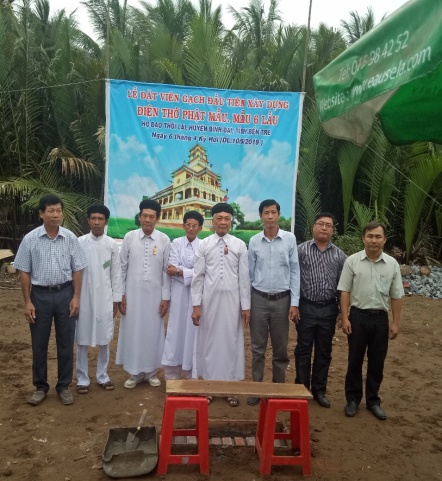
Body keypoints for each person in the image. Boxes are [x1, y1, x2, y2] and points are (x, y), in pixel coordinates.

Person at [14, 194, 87, 406]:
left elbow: (77, 270)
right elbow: (24, 272)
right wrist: (27, 302)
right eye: (51, 211)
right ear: (41, 214)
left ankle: (63, 386)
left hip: (65, 294)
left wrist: (76, 297)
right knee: (39, 343)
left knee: (65, 342)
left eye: (58, 210)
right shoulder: (30, 239)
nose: (55, 215)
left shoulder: (71, 238)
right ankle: (40, 387)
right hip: (39, 296)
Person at [338, 221, 404, 420]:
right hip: (358, 317)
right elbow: (345, 290)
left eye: (378, 237)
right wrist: (345, 317)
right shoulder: (352, 261)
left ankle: (373, 401)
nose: (373, 240)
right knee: (355, 360)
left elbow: (397, 295)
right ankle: (352, 399)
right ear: (363, 238)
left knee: (377, 362)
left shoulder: (392, 264)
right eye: (370, 236)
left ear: (384, 240)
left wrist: (395, 323)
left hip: (380, 320)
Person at [191, 203, 250, 407]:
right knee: (208, 341)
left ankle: (230, 388)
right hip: (209, 302)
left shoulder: (239, 245)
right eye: (219, 218)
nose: (223, 222)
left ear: (231, 221)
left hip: (233, 303)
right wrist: (196, 305)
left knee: (231, 342)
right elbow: (197, 277)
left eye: (227, 218)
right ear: (212, 220)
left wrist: (245, 306)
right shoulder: (204, 244)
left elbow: (244, 279)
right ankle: (208, 387)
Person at [247, 199, 300, 407]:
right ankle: (256, 389)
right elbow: (249, 273)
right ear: (261, 216)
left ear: (279, 215)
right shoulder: (253, 241)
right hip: (259, 299)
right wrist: (248, 303)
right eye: (266, 213)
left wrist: (294, 303)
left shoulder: (289, 239)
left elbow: (295, 271)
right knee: (257, 348)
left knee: (280, 349)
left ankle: (279, 390)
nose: (270, 217)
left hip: (282, 301)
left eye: (273, 212)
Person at [116, 199, 171, 389]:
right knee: (133, 331)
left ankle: (151, 372)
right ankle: (134, 372)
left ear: (157, 219)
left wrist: (166, 298)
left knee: (153, 332)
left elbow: (166, 271)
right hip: (132, 296)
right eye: (144, 216)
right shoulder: (130, 237)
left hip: (155, 296)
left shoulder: (163, 239)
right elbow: (121, 268)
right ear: (139, 218)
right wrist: (121, 295)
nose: (148, 220)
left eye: (151, 217)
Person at [294, 212, 346, 408]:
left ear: (333, 230)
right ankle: (300, 389)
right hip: (306, 307)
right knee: (303, 349)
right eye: (320, 224)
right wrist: (295, 305)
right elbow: (293, 278)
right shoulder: (301, 251)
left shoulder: (340, 255)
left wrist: (342, 311)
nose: (324, 228)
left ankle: (319, 390)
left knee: (324, 351)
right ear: (313, 227)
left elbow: (343, 286)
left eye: (328, 225)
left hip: (328, 309)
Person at [75, 204, 122, 394]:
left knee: (105, 338)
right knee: (82, 338)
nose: (96, 222)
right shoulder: (79, 243)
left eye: (100, 219)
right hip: (84, 296)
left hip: (105, 297)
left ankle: (103, 376)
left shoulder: (111, 245)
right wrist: (75, 297)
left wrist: (116, 300)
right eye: (93, 218)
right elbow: (74, 271)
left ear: (106, 221)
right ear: (88, 220)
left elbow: (116, 274)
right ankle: (82, 379)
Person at [161, 210, 204, 380]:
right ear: (183, 225)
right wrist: (187, 273)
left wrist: (180, 272)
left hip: (197, 296)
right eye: (188, 225)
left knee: (193, 333)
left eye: (195, 226)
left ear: (200, 228)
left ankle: (191, 374)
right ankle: (172, 375)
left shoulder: (203, 245)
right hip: (178, 295)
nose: (191, 229)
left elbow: (202, 273)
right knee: (175, 331)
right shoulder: (176, 244)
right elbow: (170, 268)